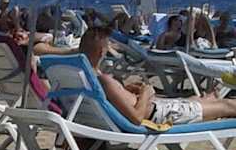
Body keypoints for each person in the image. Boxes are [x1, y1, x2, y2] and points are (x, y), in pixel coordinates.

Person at [82, 24, 230, 125]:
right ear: (101, 52)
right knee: (226, 105)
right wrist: (146, 93)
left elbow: (113, 99)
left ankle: (204, 100)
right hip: (159, 114)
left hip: (159, 108)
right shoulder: (104, 80)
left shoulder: (84, 76)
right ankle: (206, 101)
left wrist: (124, 91)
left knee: (199, 99)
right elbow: (137, 118)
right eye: (109, 45)